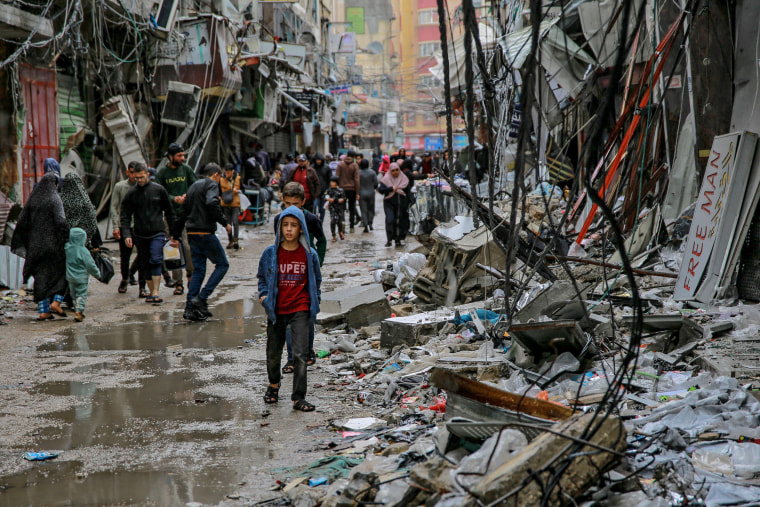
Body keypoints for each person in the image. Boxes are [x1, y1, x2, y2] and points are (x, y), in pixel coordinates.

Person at [257, 206, 321, 412]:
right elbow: (261, 277)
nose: (289, 229)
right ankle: (273, 386)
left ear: (301, 228)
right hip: (276, 310)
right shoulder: (270, 253)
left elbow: (316, 281)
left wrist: (314, 301)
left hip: (300, 309)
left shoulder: (309, 255)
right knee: (273, 353)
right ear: (279, 228)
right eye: (285, 225)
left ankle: (298, 397)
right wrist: (263, 295)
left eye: (294, 225)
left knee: (301, 354)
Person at [274, 182, 326, 373]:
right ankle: (291, 359)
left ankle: (307, 351)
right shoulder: (279, 220)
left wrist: (317, 263)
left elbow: (322, 240)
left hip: (307, 275)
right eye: (288, 204)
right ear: (282, 201)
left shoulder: (311, 219)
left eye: (296, 204)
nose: (292, 209)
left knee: (308, 315)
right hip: (287, 274)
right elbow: (276, 246)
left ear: (303, 202)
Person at [174, 163, 231, 322]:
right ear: (216, 175)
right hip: (206, 234)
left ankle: (189, 309)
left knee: (198, 271)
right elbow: (212, 202)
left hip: (192, 234)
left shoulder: (193, 187)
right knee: (223, 264)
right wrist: (224, 222)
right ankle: (202, 297)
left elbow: (182, 212)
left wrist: (175, 234)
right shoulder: (212, 184)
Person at [11, 172, 68, 320]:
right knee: (59, 274)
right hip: (53, 246)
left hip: (35, 247)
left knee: (40, 277)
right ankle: (56, 302)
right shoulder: (55, 199)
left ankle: (43, 311)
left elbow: (22, 221)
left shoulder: (33, 199)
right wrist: (66, 237)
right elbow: (61, 221)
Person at [121, 163, 176, 304]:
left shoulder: (159, 190)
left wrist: (174, 233)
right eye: (136, 177)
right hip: (139, 234)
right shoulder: (131, 194)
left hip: (157, 232)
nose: (139, 180)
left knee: (156, 258)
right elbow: (125, 216)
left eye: (141, 177)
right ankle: (152, 292)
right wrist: (127, 234)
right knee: (144, 263)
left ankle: (156, 292)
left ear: (147, 174)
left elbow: (170, 212)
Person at [156, 143, 197, 295]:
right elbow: (159, 193)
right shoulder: (162, 173)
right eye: (179, 156)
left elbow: (195, 186)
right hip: (170, 216)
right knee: (173, 248)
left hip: (186, 215)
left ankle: (191, 275)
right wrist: (174, 199)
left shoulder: (186, 169)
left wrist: (187, 196)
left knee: (187, 247)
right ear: (171, 157)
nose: (183, 158)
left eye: (183, 155)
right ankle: (178, 283)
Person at [111, 162, 144, 295]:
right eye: (131, 172)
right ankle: (125, 279)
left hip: (140, 226)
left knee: (143, 255)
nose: (133, 176)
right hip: (125, 226)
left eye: (135, 173)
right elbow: (113, 207)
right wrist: (115, 226)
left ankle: (140, 283)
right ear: (127, 172)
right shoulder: (120, 186)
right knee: (125, 255)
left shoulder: (142, 186)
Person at [64, 227, 101, 322]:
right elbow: (90, 265)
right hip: (82, 278)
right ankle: (79, 311)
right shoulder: (84, 251)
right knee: (81, 295)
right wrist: (97, 274)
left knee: (73, 294)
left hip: (70, 277)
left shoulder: (67, 248)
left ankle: (75, 305)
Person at [378, 163, 410, 248]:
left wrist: (410, 202)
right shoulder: (386, 179)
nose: (395, 172)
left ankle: (398, 240)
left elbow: (408, 191)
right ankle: (389, 239)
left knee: (399, 220)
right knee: (390, 220)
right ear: (390, 171)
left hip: (401, 202)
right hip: (389, 202)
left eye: (397, 170)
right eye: (393, 171)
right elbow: (381, 190)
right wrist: (391, 188)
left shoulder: (404, 179)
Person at [335, 151, 360, 232]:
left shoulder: (340, 164)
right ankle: (352, 226)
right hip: (352, 189)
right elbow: (357, 179)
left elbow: (336, 177)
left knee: (341, 208)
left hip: (342, 189)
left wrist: (337, 187)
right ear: (353, 157)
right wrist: (357, 192)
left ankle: (342, 224)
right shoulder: (354, 165)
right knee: (352, 208)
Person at [220, 163, 241, 250]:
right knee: (228, 223)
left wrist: (237, 190)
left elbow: (242, 188)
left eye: (229, 173)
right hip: (225, 203)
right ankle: (230, 240)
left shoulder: (238, 178)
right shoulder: (221, 179)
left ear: (233, 171)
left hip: (235, 203)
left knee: (235, 222)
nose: (227, 174)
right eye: (226, 172)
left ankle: (236, 240)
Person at [358, 158, 377, 232]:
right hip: (371, 192)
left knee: (363, 210)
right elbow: (376, 183)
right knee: (371, 209)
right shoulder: (372, 172)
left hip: (362, 193)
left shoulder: (359, 173)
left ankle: (365, 225)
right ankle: (370, 223)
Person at [326, 176, 347, 241]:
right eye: (331, 182)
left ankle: (340, 231)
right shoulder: (329, 190)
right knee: (332, 221)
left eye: (333, 182)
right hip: (332, 207)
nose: (332, 183)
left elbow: (344, 198)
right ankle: (333, 234)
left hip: (339, 208)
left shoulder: (340, 190)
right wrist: (328, 199)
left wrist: (339, 200)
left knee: (339, 221)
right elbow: (324, 196)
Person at [312, 153, 331, 222]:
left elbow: (329, 179)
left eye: (320, 160)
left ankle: (320, 222)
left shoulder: (326, 168)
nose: (318, 161)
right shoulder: (312, 168)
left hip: (323, 192)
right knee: (314, 207)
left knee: (322, 209)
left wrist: (328, 189)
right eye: (317, 160)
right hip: (314, 192)